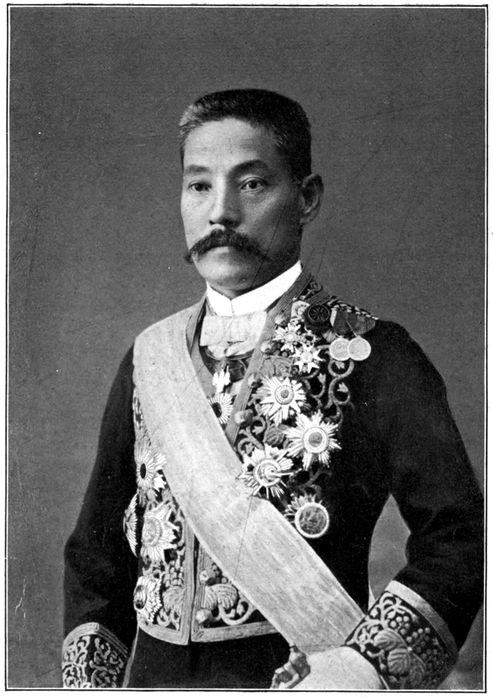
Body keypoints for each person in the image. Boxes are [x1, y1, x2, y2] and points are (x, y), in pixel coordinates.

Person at [62, 89, 483, 689]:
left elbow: (461, 537)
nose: (221, 213)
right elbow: (96, 556)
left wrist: (363, 668)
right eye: (199, 185)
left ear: (307, 198)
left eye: (252, 184)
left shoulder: (373, 354)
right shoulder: (148, 357)